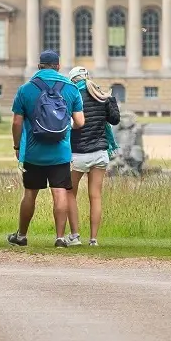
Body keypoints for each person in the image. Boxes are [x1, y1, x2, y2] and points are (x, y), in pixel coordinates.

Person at [8, 49, 85, 248]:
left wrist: (17, 146)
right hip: (60, 151)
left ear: (39, 66)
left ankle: (22, 235)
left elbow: (16, 122)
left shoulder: (25, 89)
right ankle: (60, 238)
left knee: (30, 193)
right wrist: (65, 128)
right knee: (59, 193)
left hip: (34, 152)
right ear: (58, 66)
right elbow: (79, 121)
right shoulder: (70, 88)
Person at [63, 66, 120, 246]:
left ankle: (75, 236)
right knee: (95, 196)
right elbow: (114, 120)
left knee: (69, 194)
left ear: (72, 81)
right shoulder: (101, 95)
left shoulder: (71, 96)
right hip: (100, 152)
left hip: (78, 153)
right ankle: (94, 240)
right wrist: (110, 100)